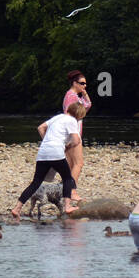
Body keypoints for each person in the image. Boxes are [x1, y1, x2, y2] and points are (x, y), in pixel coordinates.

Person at [10, 102, 86, 219]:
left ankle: (17, 208)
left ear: (69, 110)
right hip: (56, 152)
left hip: (43, 152)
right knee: (67, 178)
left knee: (36, 183)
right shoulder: (72, 121)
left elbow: (40, 128)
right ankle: (67, 206)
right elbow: (76, 140)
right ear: (79, 115)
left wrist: (48, 141)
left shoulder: (57, 117)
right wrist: (67, 146)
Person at [62, 70, 92, 200]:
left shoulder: (75, 96)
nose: (84, 86)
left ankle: (66, 192)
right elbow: (72, 115)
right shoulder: (72, 97)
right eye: (82, 83)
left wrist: (85, 94)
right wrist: (73, 136)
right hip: (73, 134)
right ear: (74, 83)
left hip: (70, 133)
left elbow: (87, 106)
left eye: (85, 83)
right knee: (78, 163)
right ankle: (72, 192)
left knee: (70, 165)